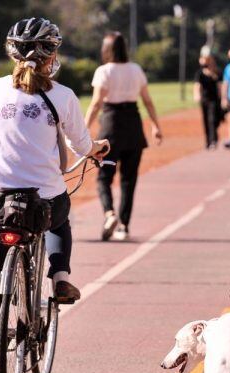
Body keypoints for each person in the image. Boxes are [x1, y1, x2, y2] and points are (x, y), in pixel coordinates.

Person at [0, 17, 109, 373]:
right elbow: (81, 145)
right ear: (50, 56)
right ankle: (59, 277)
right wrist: (97, 150)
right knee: (60, 218)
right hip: (42, 200)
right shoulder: (62, 95)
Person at [85, 32, 163, 241]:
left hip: (111, 127)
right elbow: (147, 101)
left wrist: (83, 130)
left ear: (106, 49)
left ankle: (110, 213)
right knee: (129, 179)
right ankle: (124, 226)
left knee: (104, 177)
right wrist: (156, 126)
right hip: (133, 126)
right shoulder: (135, 69)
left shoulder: (104, 71)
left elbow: (96, 103)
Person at [193, 55, 222, 149]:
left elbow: (219, 85)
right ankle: (208, 141)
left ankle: (213, 139)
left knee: (213, 119)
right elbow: (197, 85)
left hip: (214, 99)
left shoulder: (216, 72)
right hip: (204, 99)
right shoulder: (200, 73)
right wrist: (197, 95)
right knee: (206, 120)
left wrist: (222, 98)